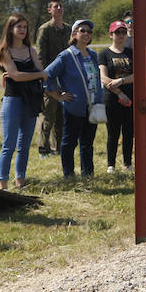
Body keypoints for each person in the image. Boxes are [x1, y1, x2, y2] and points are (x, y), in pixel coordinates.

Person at [44, 20, 103, 178]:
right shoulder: (66, 56)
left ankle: (88, 174)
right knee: (69, 142)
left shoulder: (92, 55)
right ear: (74, 34)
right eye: (82, 30)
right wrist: (57, 95)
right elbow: (47, 75)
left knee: (88, 143)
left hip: (92, 106)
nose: (86, 34)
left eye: (89, 31)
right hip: (74, 106)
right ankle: (69, 175)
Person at [0, 14, 45, 189]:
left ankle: (20, 182)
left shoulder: (31, 51)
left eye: (25, 27)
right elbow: (16, 76)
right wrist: (38, 75)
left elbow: (42, 72)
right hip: (13, 101)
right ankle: (3, 184)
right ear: (10, 29)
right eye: (19, 27)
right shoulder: (5, 51)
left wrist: (35, 75)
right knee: (9, 145)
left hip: (31, 101)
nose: (23, 30)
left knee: (24, 145)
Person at [36, 0, 70, 158]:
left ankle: (59, 147)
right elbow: (40, 55)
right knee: (49, 114)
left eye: (61, 6)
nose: (59, 8)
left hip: (66, 76)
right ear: (49, 10)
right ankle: (44, 148)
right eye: (56, 6)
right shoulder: (45, 29)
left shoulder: (68, 28)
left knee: (62, 115)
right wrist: (44, 78)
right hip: (50, 75)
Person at [98, 20, 134, 172]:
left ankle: (127, 163)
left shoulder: (131, 53)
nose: (121, 35)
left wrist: (121, 81)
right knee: (113, 133)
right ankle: (111, 165)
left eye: (123, 32)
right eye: (117, 32)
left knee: (128, 132)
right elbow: (103, 78)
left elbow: (137, 75)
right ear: (110, 34)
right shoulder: (104, 54)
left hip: (130, 98)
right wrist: (119, 92)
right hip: (112, 98)